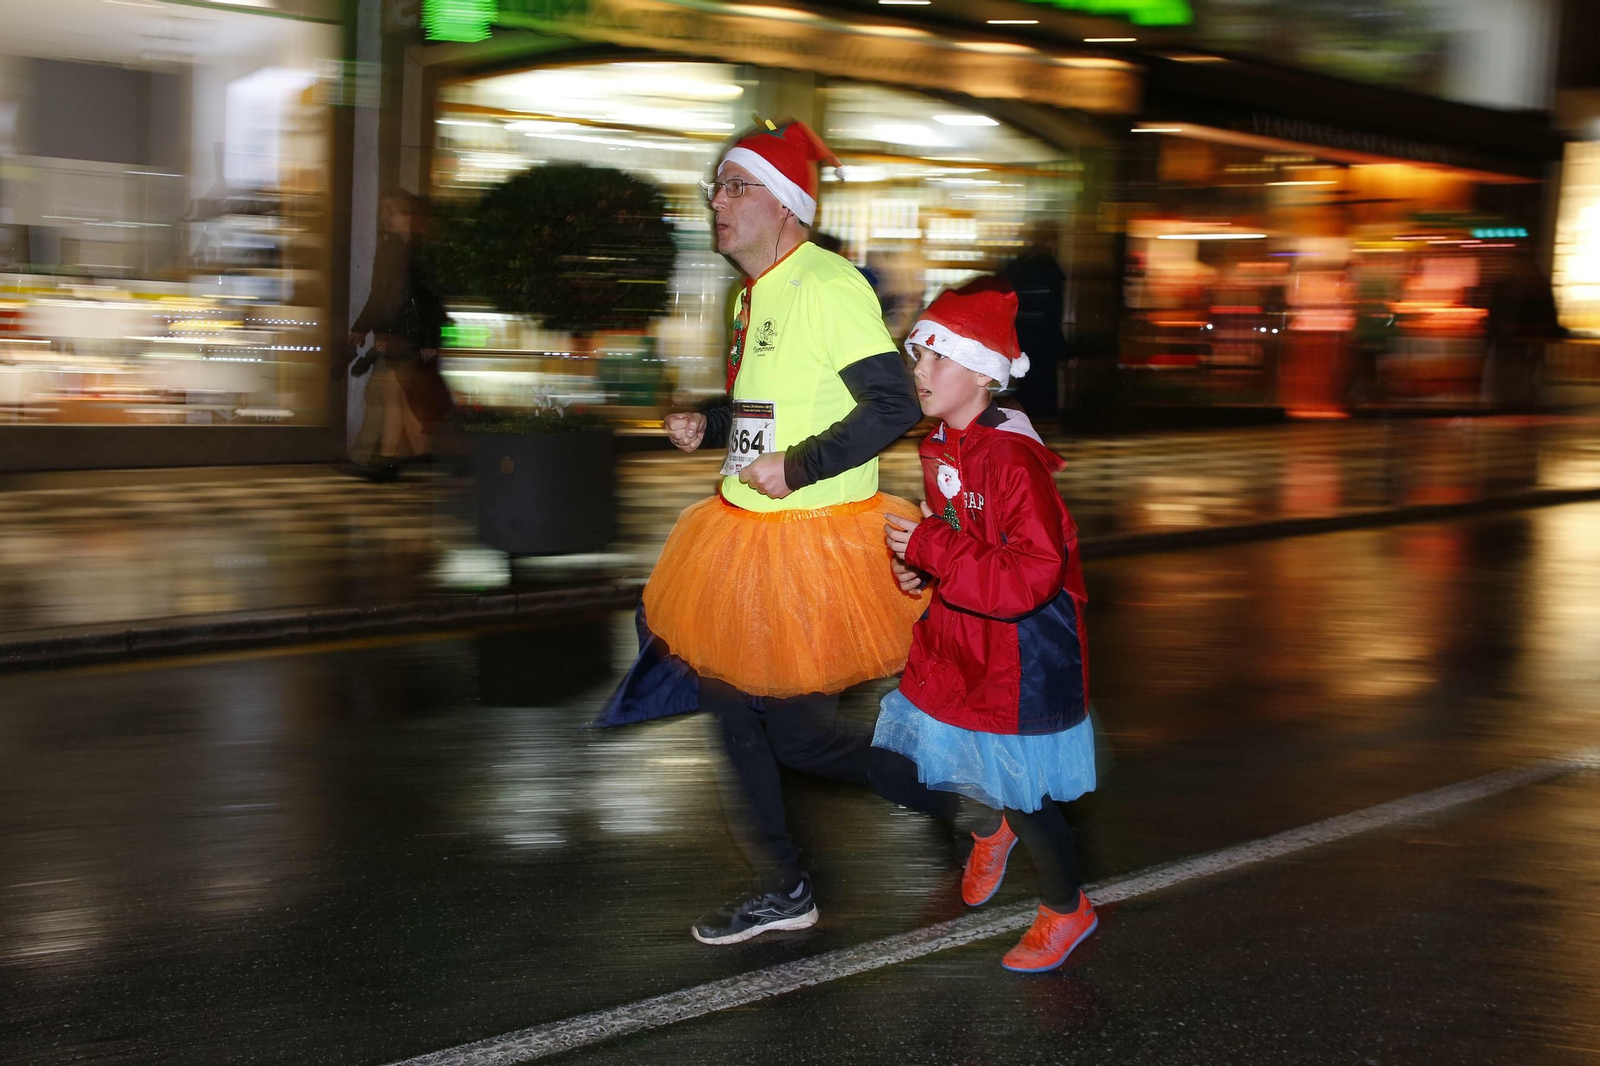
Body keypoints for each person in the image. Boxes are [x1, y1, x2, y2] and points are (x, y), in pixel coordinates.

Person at [595, 119, 951, 945]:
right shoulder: (754, 292)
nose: (717, 203)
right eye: (716, 188)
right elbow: (776, 408)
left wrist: (795, 469)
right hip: (742, 537)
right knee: (736, 712)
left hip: (813, 546)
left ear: (784, 203)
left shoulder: (828, 286)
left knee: (791, 733)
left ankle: (929, 783)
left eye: (733, 186)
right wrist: (710, 421)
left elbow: (892, 405)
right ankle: (789, 884)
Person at [878, 282, 1099, 973]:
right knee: (899, 768)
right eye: (917, 357)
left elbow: (1029, 575)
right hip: (959, 635)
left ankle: (1068, 911)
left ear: (980, 372)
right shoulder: (942, 442)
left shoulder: (1011, 459)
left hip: (1020, 652)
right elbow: (953, 537)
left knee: (1025, 796)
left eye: (934, 359)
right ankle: (986, 827)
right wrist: (919, 570)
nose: (919, 373)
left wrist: (928, 549)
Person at [338, 190, 451, 480]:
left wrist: (429, 340)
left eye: (391, 211)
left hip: (413, 337)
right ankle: (415, 460)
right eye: (383, 211)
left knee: (394, 396)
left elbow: (433, 300)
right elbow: (380, 296)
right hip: (398, 335)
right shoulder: (388, 248)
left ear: (407, 216)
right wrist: (365, 327)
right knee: (398, 400)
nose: (385, 217)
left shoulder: (424, 250)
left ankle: (392, 462)